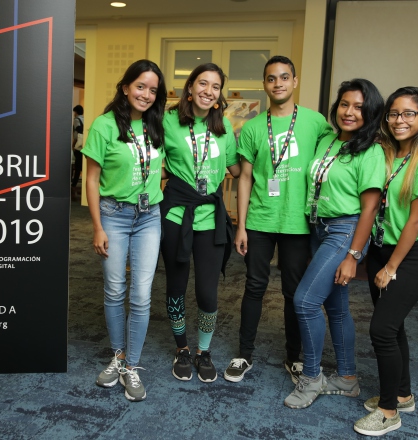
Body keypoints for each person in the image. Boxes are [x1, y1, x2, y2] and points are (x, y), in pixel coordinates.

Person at [223, 55, 333, 384]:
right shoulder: (254, 127)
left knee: (293, 291)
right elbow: (244, 177)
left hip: (298, 222)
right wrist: (239, 225)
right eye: (271, 78)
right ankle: (244, 354)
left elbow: (334, 157)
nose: (278, 83)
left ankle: (294, 357)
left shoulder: (316, 123)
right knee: (254, 287)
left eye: (284, 77)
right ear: (265, 84)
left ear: (295, 82)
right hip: (259, 219)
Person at [285, 78, 386, 409]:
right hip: (318, 228)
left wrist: (353, 255)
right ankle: (347, 379)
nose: (349, 112)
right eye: (344, 104)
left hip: (345, 231)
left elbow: (370, 207)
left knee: (304, 301)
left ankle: (312, 377)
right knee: (336, 306)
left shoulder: (370, 150)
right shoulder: (327, 140)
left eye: (359, 107)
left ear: (370, 112)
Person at [353, 87, 418, 436]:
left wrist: (391, 267)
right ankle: (403, 394)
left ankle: (389, 411)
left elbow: (416, 222)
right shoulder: (391, 155)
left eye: (409, 114)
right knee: (394, 327)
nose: (399, 120)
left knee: (381, 330)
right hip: (382, 250)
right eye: (394, 113)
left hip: (410, 256)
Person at [82, 59, 167, 402]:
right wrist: (98, 227)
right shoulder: (104, 126)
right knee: (115, 289)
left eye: (153, 90)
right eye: (140, 86)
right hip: (113, 216)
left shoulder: (157, 124)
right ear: (125, 87)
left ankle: (132, 365)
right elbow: (91, 179)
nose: (146, 95)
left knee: (141, 294)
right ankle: (117, 358)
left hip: (149, 217)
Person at [160, 63, 240, 383]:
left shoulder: (225, 130)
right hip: (176, 214)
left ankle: (203, 351)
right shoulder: (167, 122)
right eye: (202, 84)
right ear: (190, 87)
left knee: (208, 293)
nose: (208, 91)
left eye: (215, 86)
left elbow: (237, 171)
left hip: (210, 218)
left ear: (220, 95)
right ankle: (182, 348)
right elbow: (153, 163)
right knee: (176, 288)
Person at [71, 105, 84, 193]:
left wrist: (73, 144)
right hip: (84, 144)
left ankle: (74, 185)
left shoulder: (76, 120)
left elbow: (77, 133)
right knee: (81, 165)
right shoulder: (84, 118)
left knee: (77, 166)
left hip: (78, 145)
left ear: (76, 112)